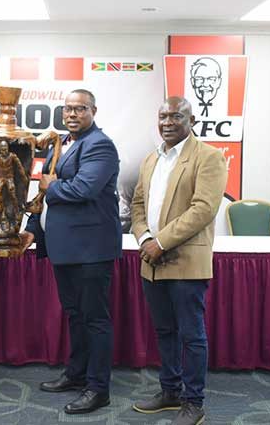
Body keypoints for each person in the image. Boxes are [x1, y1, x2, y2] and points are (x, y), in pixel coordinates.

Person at [23, 89, 121, 415]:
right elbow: (42, 196)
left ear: (93, 110)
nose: (72, 114)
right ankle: (77, 375)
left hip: (91, 250)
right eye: (68, 109)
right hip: (65, 250)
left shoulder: (99, 145)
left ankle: (98, 388)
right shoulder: (63, 143)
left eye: (80, 109)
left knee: (95, 320)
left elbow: (83, 188)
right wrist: (33, 229)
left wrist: (51, 186)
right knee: (76, 316)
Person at [130, 96, 227, 425]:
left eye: (176, 116)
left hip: (185, 260)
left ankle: (193, 402)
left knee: (191, 335)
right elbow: (138, 204)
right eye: (163, 116)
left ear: (192, 120)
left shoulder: (209, 156)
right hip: (152, 260)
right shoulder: (150, 159)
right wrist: (144, 238)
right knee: (164, 331)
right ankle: (170, 391)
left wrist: (161, 242)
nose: (168, 122)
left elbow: (203, 209)